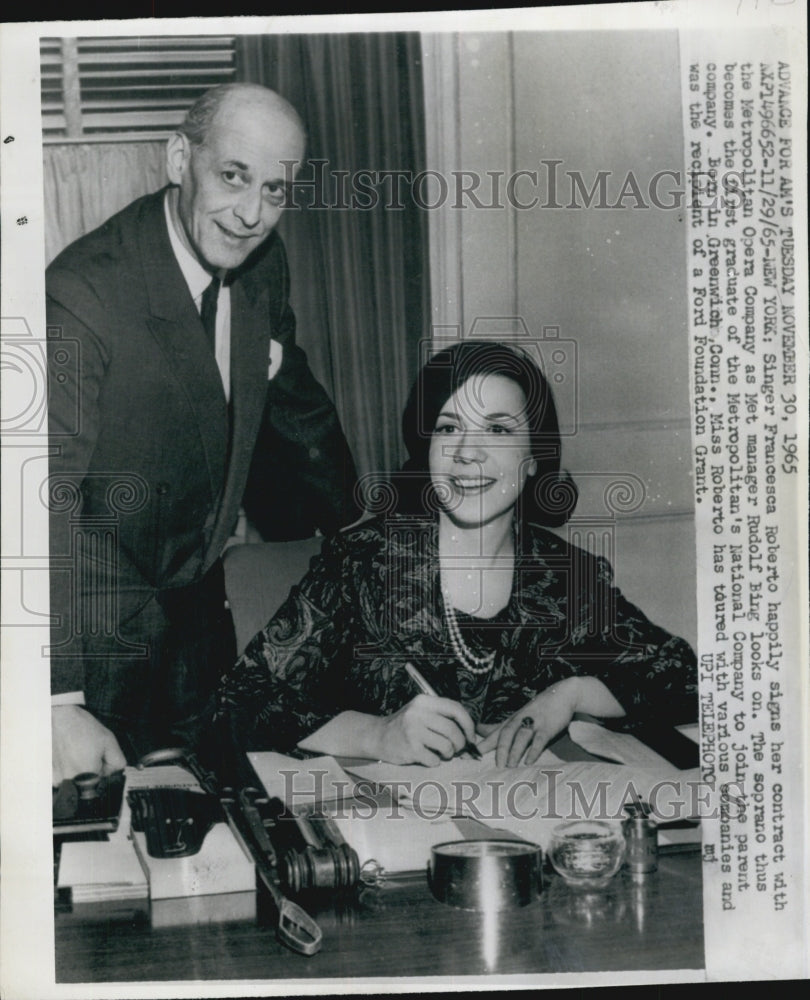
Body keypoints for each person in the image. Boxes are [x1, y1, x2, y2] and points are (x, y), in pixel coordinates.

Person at [48, 83, 360, 783]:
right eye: (233, 176)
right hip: (95, 649)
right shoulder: (82, 294)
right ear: (177, 157)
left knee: (231, 836)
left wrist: (368, 535)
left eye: (275, 191)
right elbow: (37, 504)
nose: (251, 214)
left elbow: (296, 401)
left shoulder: (262, 265)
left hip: (198, 630)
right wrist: (56, 702)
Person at [218, 340, 697, 767]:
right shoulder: (364, 562)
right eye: (448, 428)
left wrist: (568, 696)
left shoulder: (567, 576)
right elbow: (240, 701)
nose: (467, 452)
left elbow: (686, 681)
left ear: (534, 460)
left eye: (498, 430)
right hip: (389, 835)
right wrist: (377, 734)